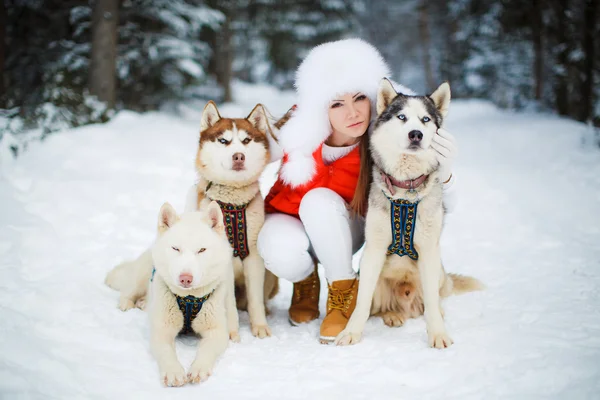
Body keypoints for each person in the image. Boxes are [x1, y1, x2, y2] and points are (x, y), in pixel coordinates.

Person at [257, 38, 458, 343]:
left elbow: (440, 203)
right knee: (278, 248)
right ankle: (305, 280)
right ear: (320, 106)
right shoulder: (297, 129)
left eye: (359, 98)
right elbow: (244, 158)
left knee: (318, 201)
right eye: (337, 103)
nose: (352, 113)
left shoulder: (384, 138)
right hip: (288, 217)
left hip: (344, 227)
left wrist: (446, 173)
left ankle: (341, 290)